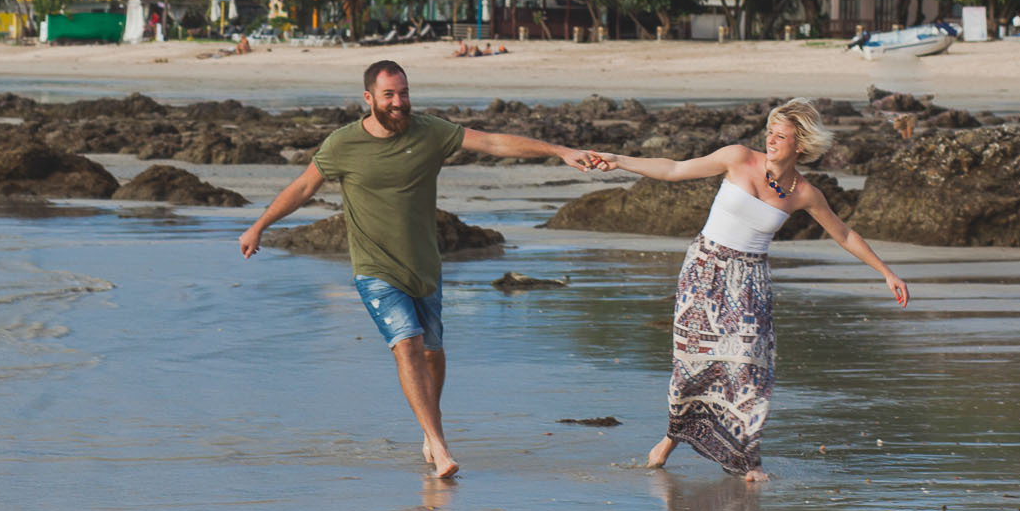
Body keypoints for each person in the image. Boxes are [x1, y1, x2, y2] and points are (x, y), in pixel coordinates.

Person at [239, 60, 596, 479]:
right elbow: (303, 187)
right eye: (389, 95)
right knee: (406, 344)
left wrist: (561, 152)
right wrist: (260, 225)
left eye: (404, 93)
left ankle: (431, 429)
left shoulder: (430, 132)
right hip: (374, 268)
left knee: (433, 353)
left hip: (424, 265)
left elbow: (495, 143)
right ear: (369, 98)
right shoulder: (342, 145)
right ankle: (440, 446)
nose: (399, 102)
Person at [587, 99, 909, 481]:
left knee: (749, 367)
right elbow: (675, 169)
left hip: (751, 279)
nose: (771, 140)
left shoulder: (804, 192)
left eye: (781, 136)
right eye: (770, 133)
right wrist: (618, 160)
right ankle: (671, 439)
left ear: (800, 145)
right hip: (705, 268)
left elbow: (843, 233)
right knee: (695, 363)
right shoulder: (738, 158)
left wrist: (886, 272)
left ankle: (745, 459)